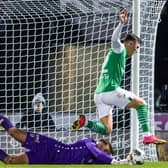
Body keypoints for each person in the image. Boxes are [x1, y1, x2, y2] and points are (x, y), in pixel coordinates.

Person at [71, 9, 166, 144]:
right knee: (142, 104)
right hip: (110, 91)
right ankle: (147, 136)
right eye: (137, 47)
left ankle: (85, 122)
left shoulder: (119, 56)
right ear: (130, 43)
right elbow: (114, 39)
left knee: (107, 129)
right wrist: (121, 24)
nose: (137, 51)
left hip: (99, 95)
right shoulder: (119, 49)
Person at [0, 114, 132, 164]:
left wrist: (126, 161)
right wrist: (115, 161)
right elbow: (98, 153)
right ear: (101, 142)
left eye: (107, 153)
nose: (104, 153)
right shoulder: (89, 143)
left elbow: (103, 160)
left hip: (46, 159)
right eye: (105, 149)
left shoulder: (94, 160)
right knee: (13, 132)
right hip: (49, 146)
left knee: (9, 160)